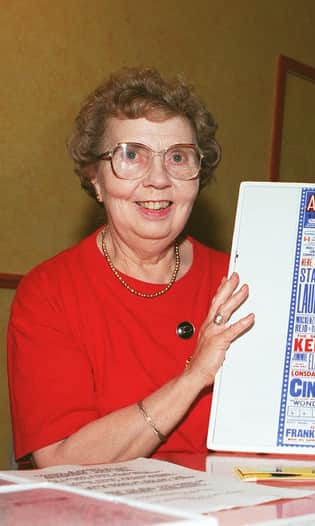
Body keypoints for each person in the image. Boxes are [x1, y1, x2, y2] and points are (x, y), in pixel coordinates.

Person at [7, 67, 255, 467]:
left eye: (177, 157)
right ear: (95, 179)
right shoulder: (49, 293)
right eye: (132, 155)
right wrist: (193, 378)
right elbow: (61, 462)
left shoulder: (240, 282)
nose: (158, 179)